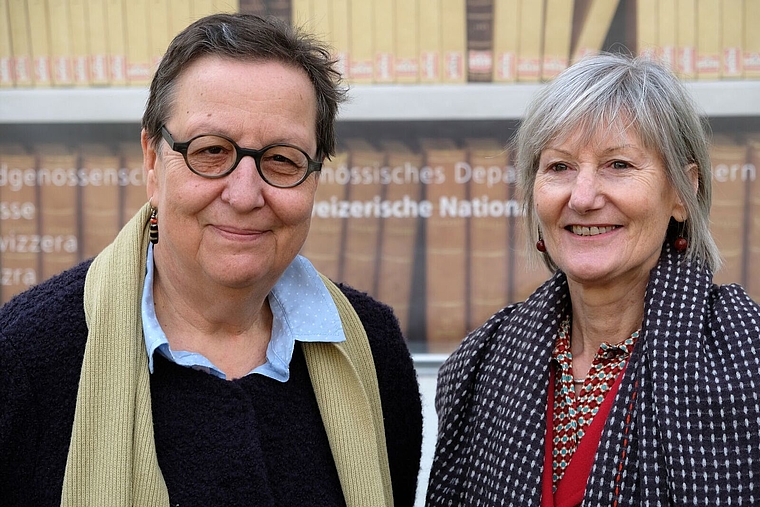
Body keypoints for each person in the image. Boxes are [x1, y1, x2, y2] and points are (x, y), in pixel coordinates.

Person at [0, 13, 422, 507]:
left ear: (315, 176)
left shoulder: (369, 347)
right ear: (153, 160)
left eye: (282, 159)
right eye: (211, 151)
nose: (244, 195)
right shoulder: (24, 359)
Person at [426, 52, 760, 506]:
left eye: (618, 165)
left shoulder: (746, 356)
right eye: (559, 167)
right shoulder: (480, 363)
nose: (582, 198)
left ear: (683, 193)